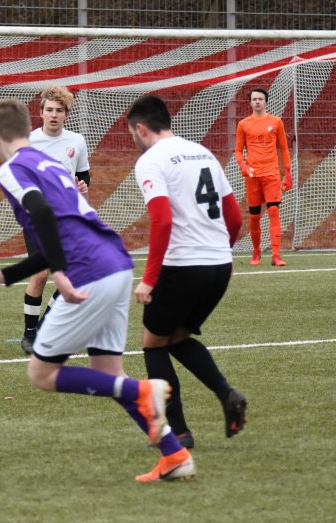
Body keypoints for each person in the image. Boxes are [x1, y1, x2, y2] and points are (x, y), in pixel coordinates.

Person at [0, 98, 195, 482]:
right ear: (28, 128)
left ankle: (143, 390)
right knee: (107, 371)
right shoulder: (52, 164)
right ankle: (174, 455)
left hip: (89, 271)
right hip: (117, 264)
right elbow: (52, 234)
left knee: (41, 373)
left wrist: (60, 271)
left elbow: (40, 214)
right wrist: (0, 277)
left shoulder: (11, 170)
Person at [127, 94, 247, 451]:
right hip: (219, 265)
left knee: (152, 344)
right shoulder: (202, 152)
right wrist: (218, 250)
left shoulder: (151, 160)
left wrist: (149, 279)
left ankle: (177, 431)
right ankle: (227, 395)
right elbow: (235, 218)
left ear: (141, 128)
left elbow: (162, 219)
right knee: (175, 338)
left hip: (183, 266)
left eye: (132, 133)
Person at [20, 85, 92, 355]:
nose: (53, 115)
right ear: (40, 113)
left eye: (59, 111)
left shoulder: (77, 141)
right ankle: (29, 334)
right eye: (49, 110)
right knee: (40, 273)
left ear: (66, 115)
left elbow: (84, 177)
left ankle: (43, 328)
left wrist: (82, 187)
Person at [234, 87, 293, 267]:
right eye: (254, 99)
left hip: (272, 173)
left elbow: (283, 148)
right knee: (254, 216)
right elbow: (237, 150)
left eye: (260, 99)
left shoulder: (276, 122)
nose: (257, 101)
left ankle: (276, 255)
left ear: (265, 101)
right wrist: (243, 165)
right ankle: (256, 251)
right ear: (250, 102)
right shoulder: (243, 124)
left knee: (274, 210)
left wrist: (288, 173)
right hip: (253, 176)